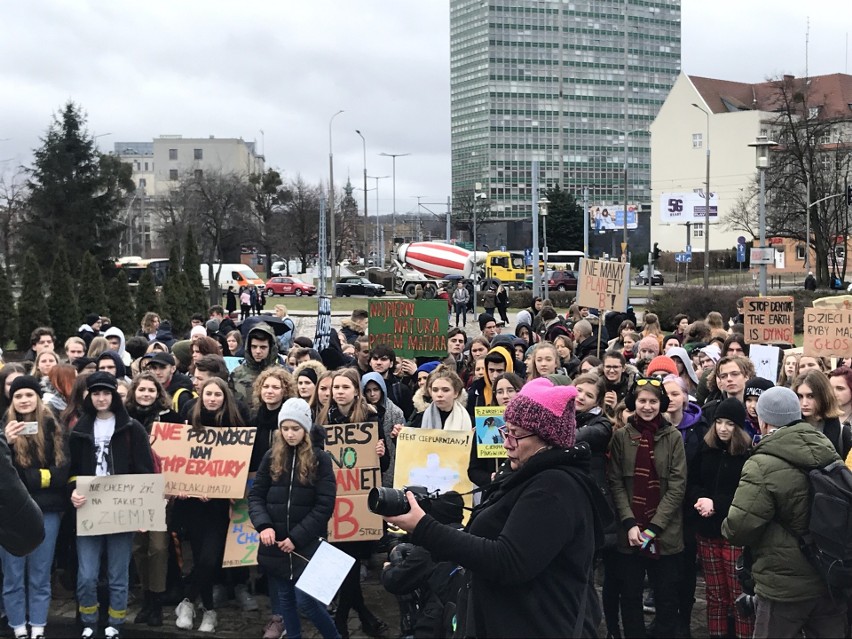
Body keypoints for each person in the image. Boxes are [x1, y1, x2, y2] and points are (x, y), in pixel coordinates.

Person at [386, 377, 609, 638]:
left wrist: (423, 527)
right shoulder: (524, 474)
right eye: (507, 431)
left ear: (548, 439)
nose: (506, 443)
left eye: (516, 434)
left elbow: (507, 560)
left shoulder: (554, 487)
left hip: (540, 626)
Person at [722, 386, 847, 637]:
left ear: (763, 420)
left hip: (783, 584)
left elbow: (739, 528)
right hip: (828, 572)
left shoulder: (762, 463)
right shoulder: (825, 447)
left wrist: (725, 525)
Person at [69, 372, 155, 639]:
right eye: (96, 393)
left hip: (121, 508)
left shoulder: (131, 428)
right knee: (87, 576)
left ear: (115, 397)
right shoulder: (80, 429)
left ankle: (116, 624)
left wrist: (144, 511)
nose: (102, 398)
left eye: (106, 393)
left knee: (118, 574)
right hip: (88, 509)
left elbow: (145, 471)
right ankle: (89, 620)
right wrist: (72, 492)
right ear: (89, 397)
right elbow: (70, 471)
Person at [249, 398, 339, 639]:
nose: (290, 434)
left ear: (305, 429)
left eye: (295, 429)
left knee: (307, 601)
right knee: (285, 598)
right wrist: (264, 525)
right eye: (285, 428)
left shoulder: (321, 459)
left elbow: (324, 505)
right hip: (276, 545)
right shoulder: (271, 456)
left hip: (307, 545)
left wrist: (296, 537)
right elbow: (256, 496)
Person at [607, 377, 686, 639]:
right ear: (634, 403)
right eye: (642, 401)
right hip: (630, 532)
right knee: (629, 596)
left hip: (664, 533)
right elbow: (616, 482)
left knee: (666, 596)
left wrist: (653, 528)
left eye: (653, 401)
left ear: (661, 404)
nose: (648, 406)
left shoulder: (673, 437)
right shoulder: (621, 437)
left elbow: (677, 486)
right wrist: (630, 524)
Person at [316, 369, 389, 638]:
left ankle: (342, 622)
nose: (339, 391)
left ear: (356, 390)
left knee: (351, 562)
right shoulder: (322, 420)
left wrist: (381, 452)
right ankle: (360, 618)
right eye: (336, 387)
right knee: (343, 562)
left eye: (345, 387)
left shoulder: (370, 418)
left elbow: (382, 464)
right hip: (334, 502)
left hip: (360, 504)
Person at [173, 378, 247, 634]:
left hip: (220, 507)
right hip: (192, 506)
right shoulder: (189, 420)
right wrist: (182, 486)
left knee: (209, 560)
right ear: (201, 396)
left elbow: (237, 466)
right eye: (208, 394)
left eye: (217, 394)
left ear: (225, 397)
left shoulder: (235, 425)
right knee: (198, 555)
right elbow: (180, 460)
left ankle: (187, 601)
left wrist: (222, 492)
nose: (212, 398)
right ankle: (207, 610)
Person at [1, 376, 68, 639]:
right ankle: (18, 627)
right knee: (12, 574)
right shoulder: (2, 429)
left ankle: (38, 627)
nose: (24, 400)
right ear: (12, 400)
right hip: (10, 513)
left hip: (48, 510)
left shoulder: (54, 426)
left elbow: (61, 473)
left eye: (29, 395)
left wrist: (29, 479)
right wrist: (4, 443)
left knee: (40, 572)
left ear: (38, 398)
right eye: (18, 396)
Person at [687, 398, 754, 639]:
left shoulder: (747, 455)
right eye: (719, 422)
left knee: (738, 595)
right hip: (706, 531)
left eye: (729, 423)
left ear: (739, 426)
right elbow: (693, 482)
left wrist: (717, 504)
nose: (723, 428)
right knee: (715, 595)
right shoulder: (706, 450)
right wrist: (701, 499)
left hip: (734, 533)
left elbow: (747, 494)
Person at [124, 373, 179, 628]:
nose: (146, 394)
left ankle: (156, 601)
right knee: (138, 547)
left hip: (161, 492)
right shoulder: (123, 419)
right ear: (134, 391)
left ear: (159, 393)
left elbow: (181, 456)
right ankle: (146, 598)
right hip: (132, 492)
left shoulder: (170, 419)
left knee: (157, 547)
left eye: (151, 390)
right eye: (141, 389)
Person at [792, 369, 852, 459]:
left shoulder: (843, 433)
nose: (804, 403)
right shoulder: (788, 428)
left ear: (823, 396)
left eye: (811, 396)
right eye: (800, 396)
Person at [362, 372, 404, 488]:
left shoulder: (395, 412)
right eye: (368, 390)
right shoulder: (358, 414)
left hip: (391, 464)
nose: (372, 394)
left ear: (382, 390)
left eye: (376, 389)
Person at [230, 323, 281, 406]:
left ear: (271, 348)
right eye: (254, 347)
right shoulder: (237, 374)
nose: (257, 351)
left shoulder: (281, 374)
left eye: (263, 347)